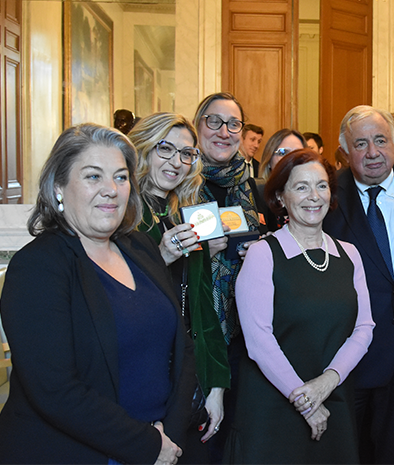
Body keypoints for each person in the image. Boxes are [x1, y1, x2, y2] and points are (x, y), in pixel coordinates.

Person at [0, 124, 195, 464]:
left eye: (121, 177)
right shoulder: (37, 267)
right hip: (75, 452)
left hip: (162, 447)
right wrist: (148, 445)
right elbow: (55, 389)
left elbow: (182, 349)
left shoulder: (140, 247)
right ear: (59, 186)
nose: (111, 190)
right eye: (93, 177)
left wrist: (171, 435)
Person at [227, 149, 374, 463]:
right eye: (301, 186)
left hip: (333, 399)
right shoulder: (262, 254)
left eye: (321, 185)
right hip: (274, 406)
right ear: (281, 196)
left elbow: (364, 329)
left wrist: (327, 382)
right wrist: (305, 399)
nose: (314, 196)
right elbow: (258, 341)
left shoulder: (349, 254)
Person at [324, 106, 394, 464]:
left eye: (380, 141)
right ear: (345, 151)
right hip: (344, 356)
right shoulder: (326, 192)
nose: (373, 152)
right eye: (361, 144)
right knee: (347, 454)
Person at [129, 113, 231, 458]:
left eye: (187, 154)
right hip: (144, 377)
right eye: (165, 149)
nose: (177, 162)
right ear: (142, 149)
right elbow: (119, 303)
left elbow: (204, 308)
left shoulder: (184, 213)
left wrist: (215, 386)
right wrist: (161, 256)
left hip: (188, 375)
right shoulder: (122, 217)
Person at [193, 92, 265, 461]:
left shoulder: (251, 188)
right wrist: (205, 252)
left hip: (245, 339)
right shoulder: (179, 185)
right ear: (198, 125)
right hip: (196, 336)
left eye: (233, 123)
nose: (224, 131)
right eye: (214, 121)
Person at [257, 128, 307, 229]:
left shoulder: (313, 198)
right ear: (269, 160)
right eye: (283, 152)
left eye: (298, 153)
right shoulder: (255, 196)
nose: (290, 158)